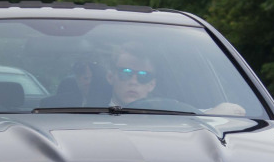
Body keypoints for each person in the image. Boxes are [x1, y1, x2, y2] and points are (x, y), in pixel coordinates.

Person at [105, 45, 247, 115]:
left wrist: (210, 114)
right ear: (110, 77)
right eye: (126, 73)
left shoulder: (176, 114)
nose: (133, 81)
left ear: (152, 84)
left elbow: (236, 110)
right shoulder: (87, 115)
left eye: (143, 76)